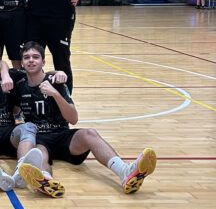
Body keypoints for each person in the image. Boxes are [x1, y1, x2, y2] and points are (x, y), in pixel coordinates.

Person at [13, 41, 157, 197]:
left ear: (43, 62)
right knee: (38, 153)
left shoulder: (56, 82)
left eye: (35, 57)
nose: (31, 60)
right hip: (39, 138)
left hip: (62, 135)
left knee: (90, 133)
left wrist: (55, 94)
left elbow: (73, 119)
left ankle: (124, 171)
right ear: (22, 63)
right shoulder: (19, 85)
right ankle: (45, 180)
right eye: (27, 57)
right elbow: (14, 109)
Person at [0, 40, 66, 191]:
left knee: (28, 127)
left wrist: (58, 72)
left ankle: (21, 171)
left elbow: (39, 73)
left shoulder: (12, 76)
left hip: (9, 129)